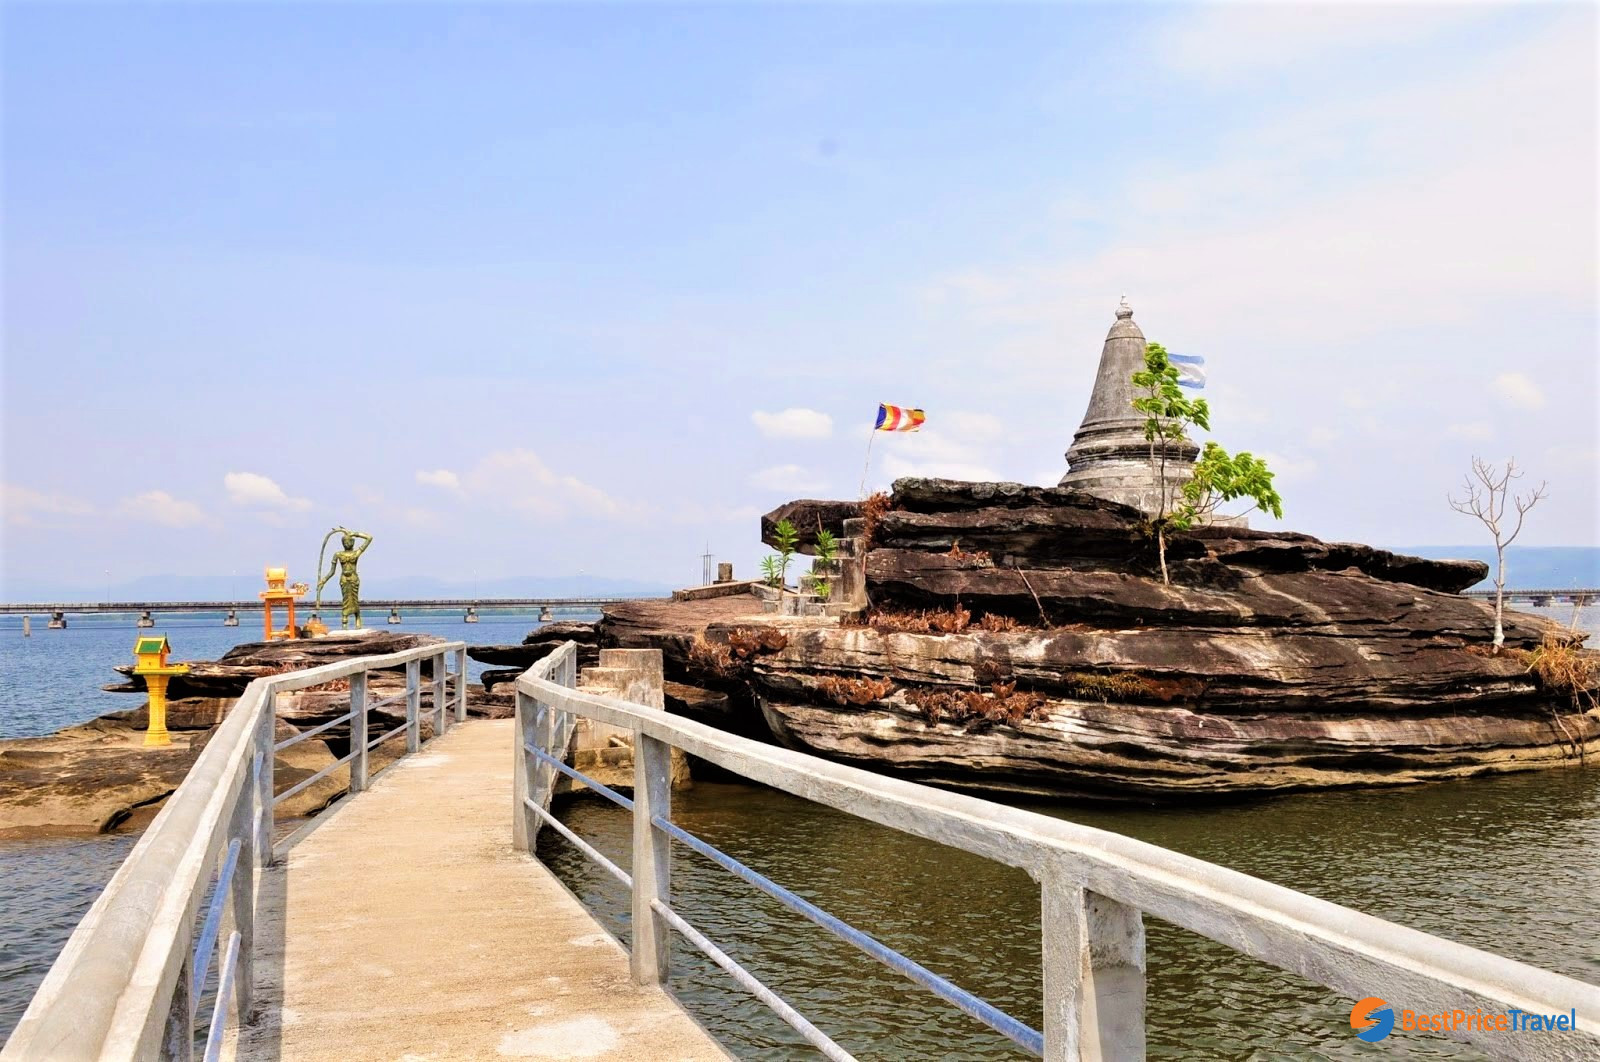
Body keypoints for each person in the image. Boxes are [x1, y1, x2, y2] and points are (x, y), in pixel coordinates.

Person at [318, 528, 373, 629]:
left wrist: (355, 533)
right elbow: (332, 571)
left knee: (355, 599)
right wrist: (323, 581)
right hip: (344, 579)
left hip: (353, 578)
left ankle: (357, 617)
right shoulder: (338, 554)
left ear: (352, 542)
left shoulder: (356, 553)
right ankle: (344, 621)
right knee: (345, 600)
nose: (347, 544)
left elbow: (369, 538)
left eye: (349, 541)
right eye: (345, 542)